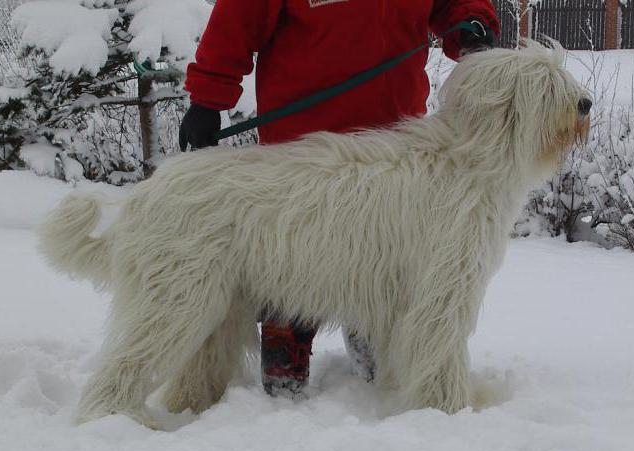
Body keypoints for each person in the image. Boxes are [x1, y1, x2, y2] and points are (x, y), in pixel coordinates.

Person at [180, 0, 499, 396]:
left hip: (393, 147)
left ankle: (380, 359)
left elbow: (455, 4)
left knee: (385, 262)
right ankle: (284, 370)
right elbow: (238, 19)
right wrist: (208, 99)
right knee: (287, 258)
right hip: (300, 150)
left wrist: (471, 24)